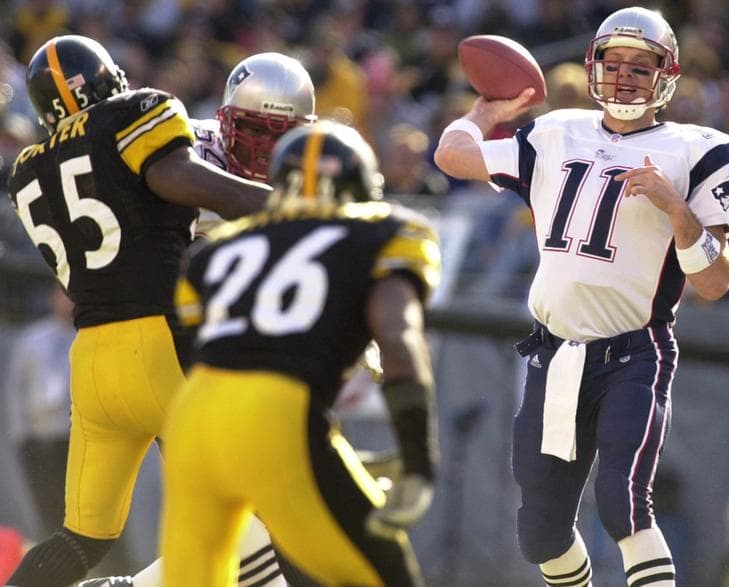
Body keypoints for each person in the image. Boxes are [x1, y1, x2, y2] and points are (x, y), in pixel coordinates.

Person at [434, 6, 729, 587]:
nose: (625, 75)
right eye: (614, 61)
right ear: (593, 64)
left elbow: (715, 281)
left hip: (635, 351)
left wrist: (677, 211)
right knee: (541, 533)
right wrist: (486, 110)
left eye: (641, 64)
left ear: (666, 73)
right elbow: (451, 156)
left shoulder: (701, 149)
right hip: (555, 355)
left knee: (622, 502)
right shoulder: (557, 131)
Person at [5, 34, 271, 587]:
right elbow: (183, 181)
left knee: (80, 539)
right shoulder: (137, 113)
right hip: (165, 349)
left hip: (93, 362)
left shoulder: (28, 170)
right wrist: (297, 206)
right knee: (255, 512)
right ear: (107, 79)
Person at [160, 119, 441, 586]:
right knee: (387, 578)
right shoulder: (386, 232)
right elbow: (398, 339)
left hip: (192, 418)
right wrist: (418, 461)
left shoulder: (219, 249)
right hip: (279, 417)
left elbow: (225, 349)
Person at [79, 50, 319, 587]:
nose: (263, 148)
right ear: (227, 118)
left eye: (282, 135)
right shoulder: (184, 149)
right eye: (255, 130)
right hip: (167, 346)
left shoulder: (318, 173)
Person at [5, 282, 74, 538]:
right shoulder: (33, 338)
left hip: (74, 435)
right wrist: (21, 435)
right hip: (39, 437)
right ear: (52, 298)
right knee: (46, 502)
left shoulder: (86, 336)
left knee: (79, 505)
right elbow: (16, 389)